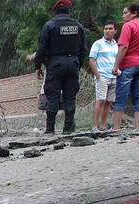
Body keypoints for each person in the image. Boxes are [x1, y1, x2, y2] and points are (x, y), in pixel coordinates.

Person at [34, 0, 87, 134]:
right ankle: (67, 130)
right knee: (70, 97)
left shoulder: (50, 25)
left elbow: (41, 48)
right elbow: (83, 49)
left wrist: (38, 65)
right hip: (73, 64)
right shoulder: (78, 26)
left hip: (55, 64)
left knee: (53, 96)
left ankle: (50, 130)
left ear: (55, 11)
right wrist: (78, 64)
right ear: (69, 11)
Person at [88, 20, 119, 131]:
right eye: (106, 28)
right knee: (100, 100)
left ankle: (103, 125)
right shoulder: (98, 44)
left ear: (115, 30)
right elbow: (92, 60)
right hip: (102, 76)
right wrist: (98, 75)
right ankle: (94, 126)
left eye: (110, 29)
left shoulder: (117, 45)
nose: (108, 31)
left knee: (108, 102)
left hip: (113, 76)